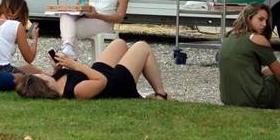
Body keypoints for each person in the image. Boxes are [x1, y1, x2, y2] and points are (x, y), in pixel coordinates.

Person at [15, 39, 168, 100]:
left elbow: (77, 74)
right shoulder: (76, 91)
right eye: (42, 77)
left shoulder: (55, 80)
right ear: (45, 86)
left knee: (119, 44)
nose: (43, 74)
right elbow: (102, 81)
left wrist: (57, 69)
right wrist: (74, 65)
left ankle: (132, 64)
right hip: (114, 83)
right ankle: (161, 94)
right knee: (142, 46)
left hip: (94, 73)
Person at [218, 3, 280, 109]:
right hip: (254, 99)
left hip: (228, 99)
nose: (265, 24)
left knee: (266, 71)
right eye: (260, 19)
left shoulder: (229, 36)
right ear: (249, 18)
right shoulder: (257, 39)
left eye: (266, 20)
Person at [0, 0, 42, 75]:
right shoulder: (16, 25)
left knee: (28, 69)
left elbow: (2, 38)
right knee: (37, 76)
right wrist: (34, 39)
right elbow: (29, 59)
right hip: (0, 70)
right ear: (21, 12)